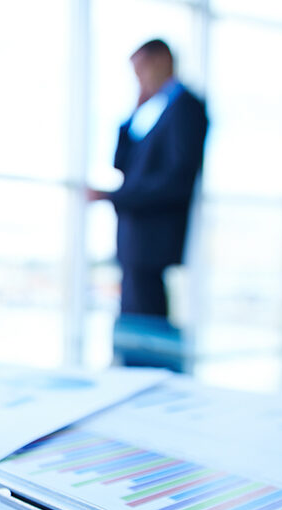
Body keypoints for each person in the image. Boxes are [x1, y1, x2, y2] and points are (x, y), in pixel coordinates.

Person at [87, 39, 208, 351]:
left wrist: (115, 197)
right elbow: (122, 164)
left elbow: (176, 181)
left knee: (146, 333)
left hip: (152, 240)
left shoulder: (186, 108)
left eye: (140, 70)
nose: (138, 79)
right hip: (137, 241)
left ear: (161, 61)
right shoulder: (160, 110)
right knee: (134, 327)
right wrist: (132, 113)